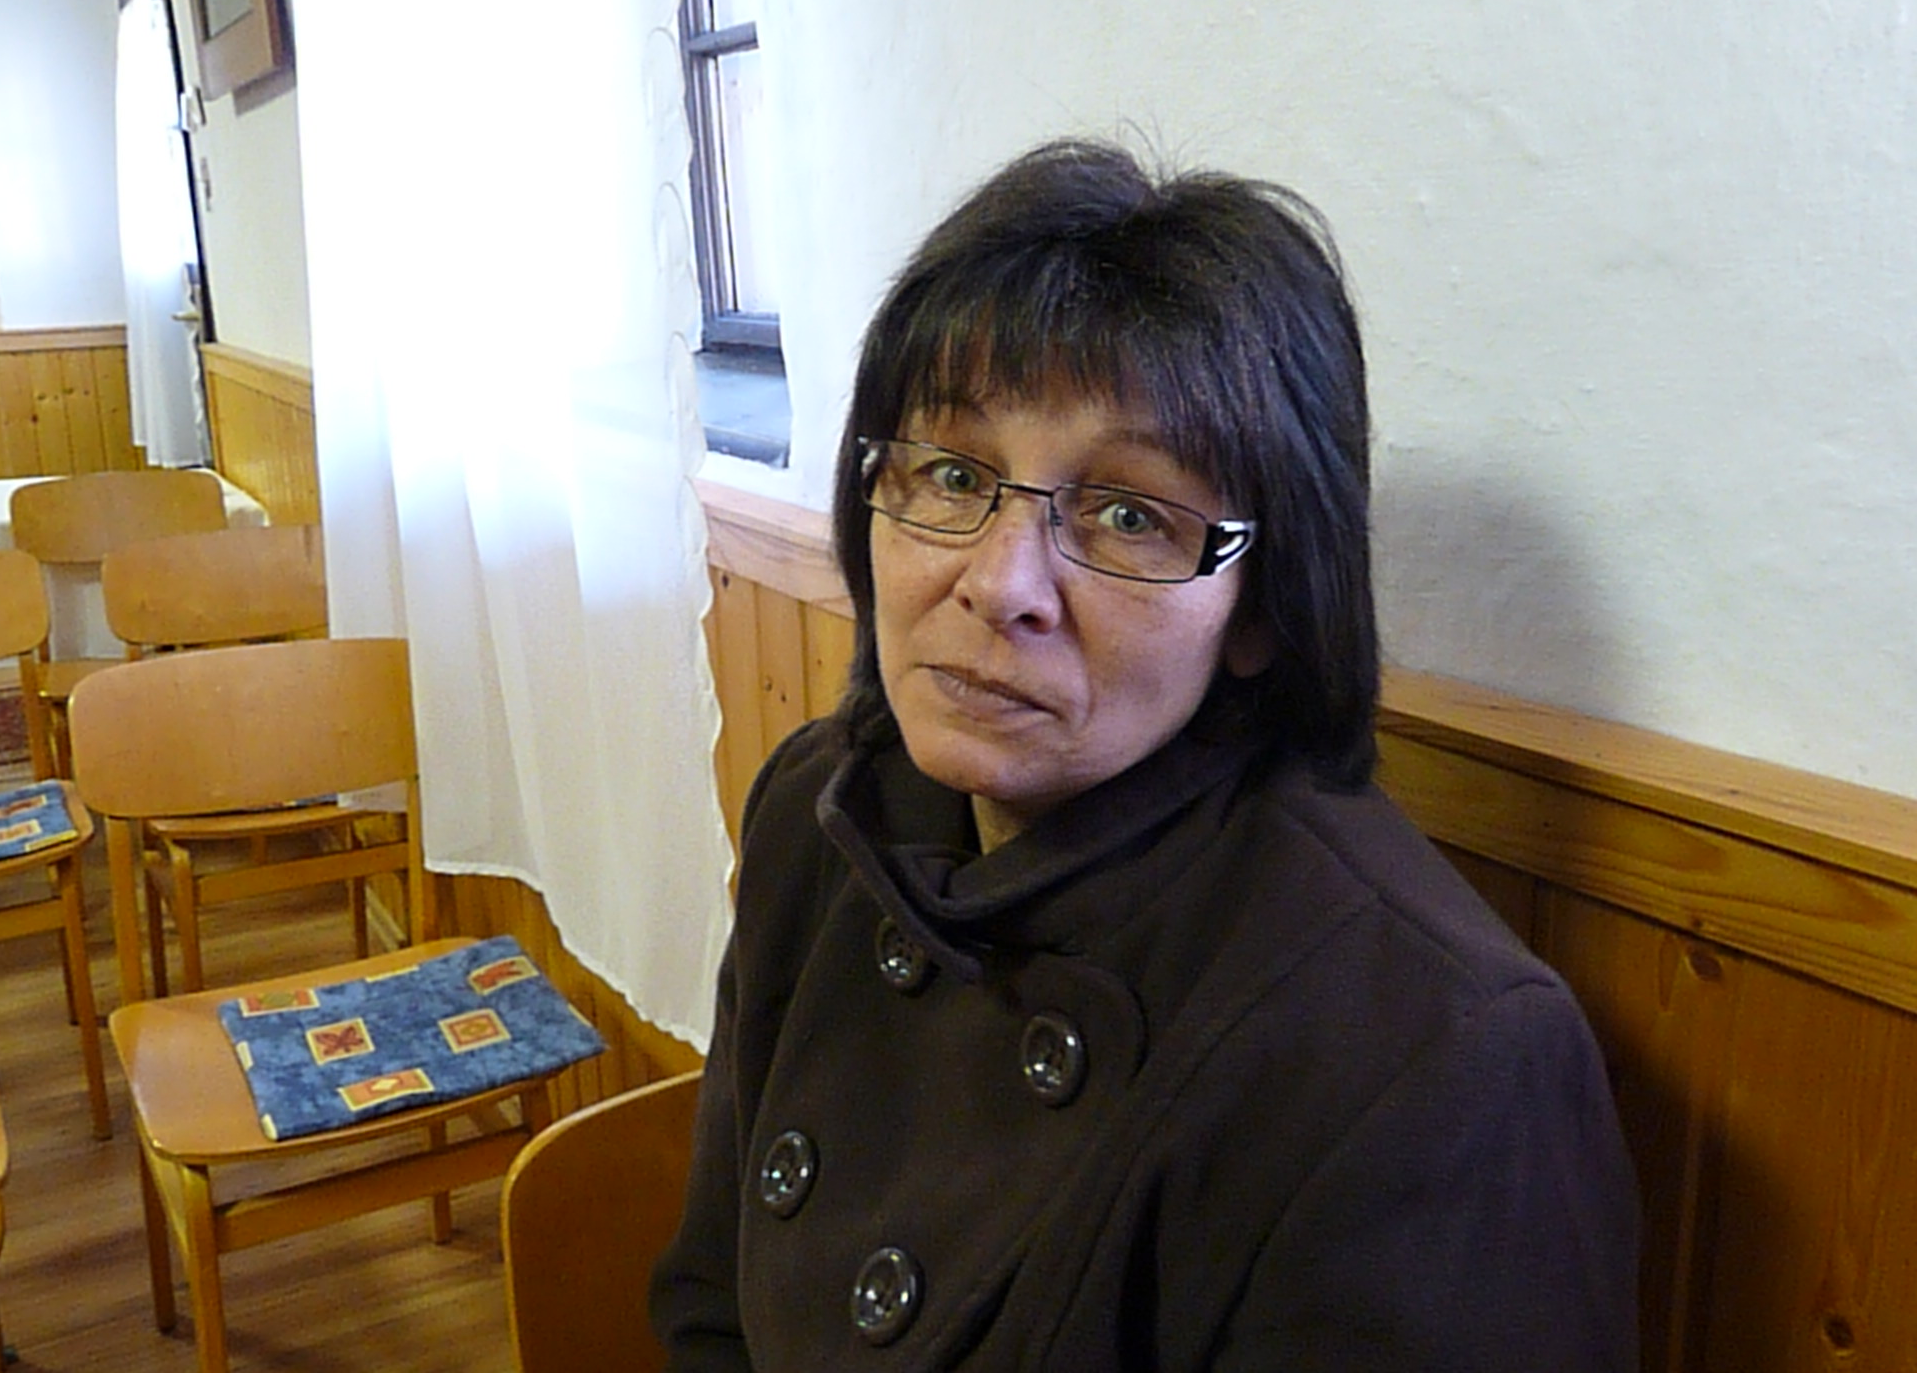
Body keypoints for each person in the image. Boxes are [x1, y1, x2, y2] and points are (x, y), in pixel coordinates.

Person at [650, 139, 1639, 1370]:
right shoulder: (820, 809)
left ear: (1263, 605)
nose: (1000, 584)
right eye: (951, 474)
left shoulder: (1432, 1057)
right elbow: (710, 1308)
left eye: (1126, 514)